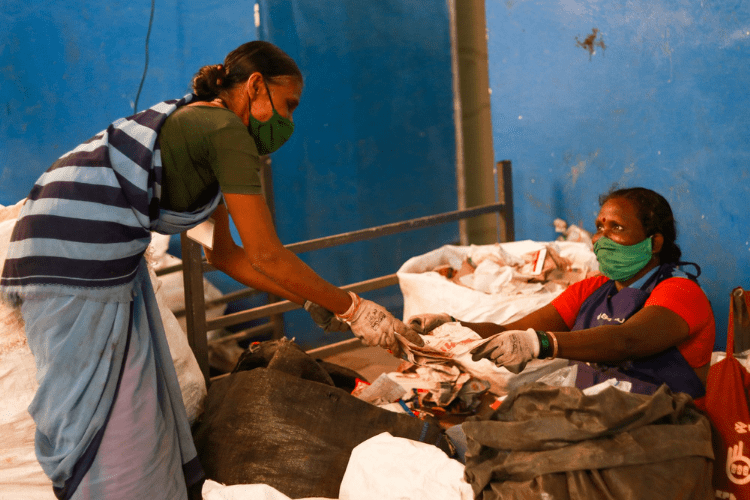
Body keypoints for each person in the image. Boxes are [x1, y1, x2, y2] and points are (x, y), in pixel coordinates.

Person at [0, 41, 415, 500]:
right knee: (100, 412)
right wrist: (357, 310)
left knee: (138, 399)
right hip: (72, 255)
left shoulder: (205, 125)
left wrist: (313, 301)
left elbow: (227, 256)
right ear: (256, 86)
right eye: (288, 104)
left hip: (96, 252)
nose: (289, 122)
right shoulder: (223, 130)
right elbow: (268, 254)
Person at [408, 187, 715, 405]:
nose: (601, 239)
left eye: (616, 227)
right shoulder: (592, 289)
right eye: (599, 227)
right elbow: (508, 332)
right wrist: (449, 326)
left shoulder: (679, 291)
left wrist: (541, 343)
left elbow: (626, 341)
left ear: (654, 242)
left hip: (664, 425)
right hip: (596, 413)